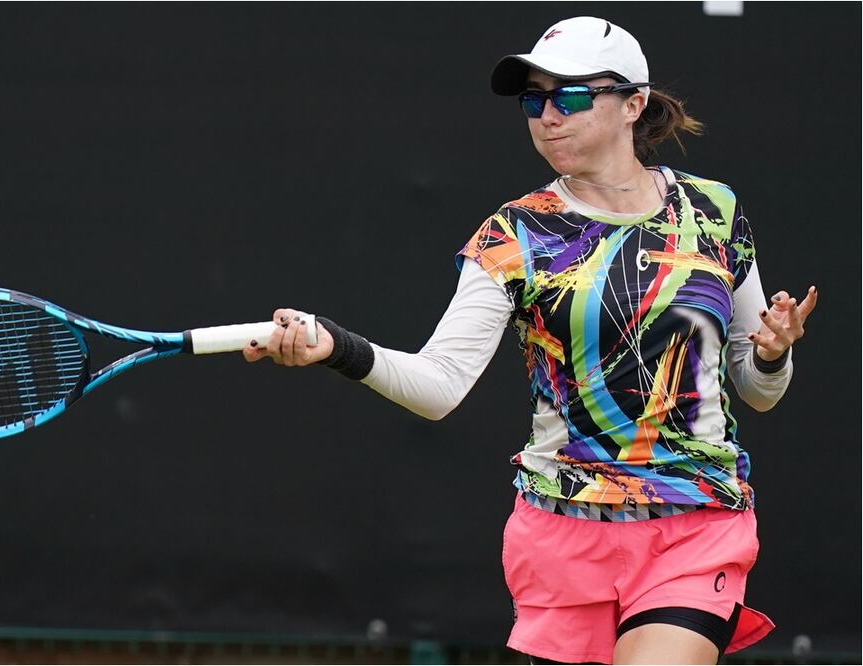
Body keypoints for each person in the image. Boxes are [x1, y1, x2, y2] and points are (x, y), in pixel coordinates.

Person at [243, 16, 818, 665]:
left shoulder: (713, 211)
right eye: (534, 100)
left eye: (570, 96)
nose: (547, 115)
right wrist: (336, 348)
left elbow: (756, 390)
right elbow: (439, 386)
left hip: (695, 527)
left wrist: (771, 353)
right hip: (561, 538)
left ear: (633, 104)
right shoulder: (512, 235)